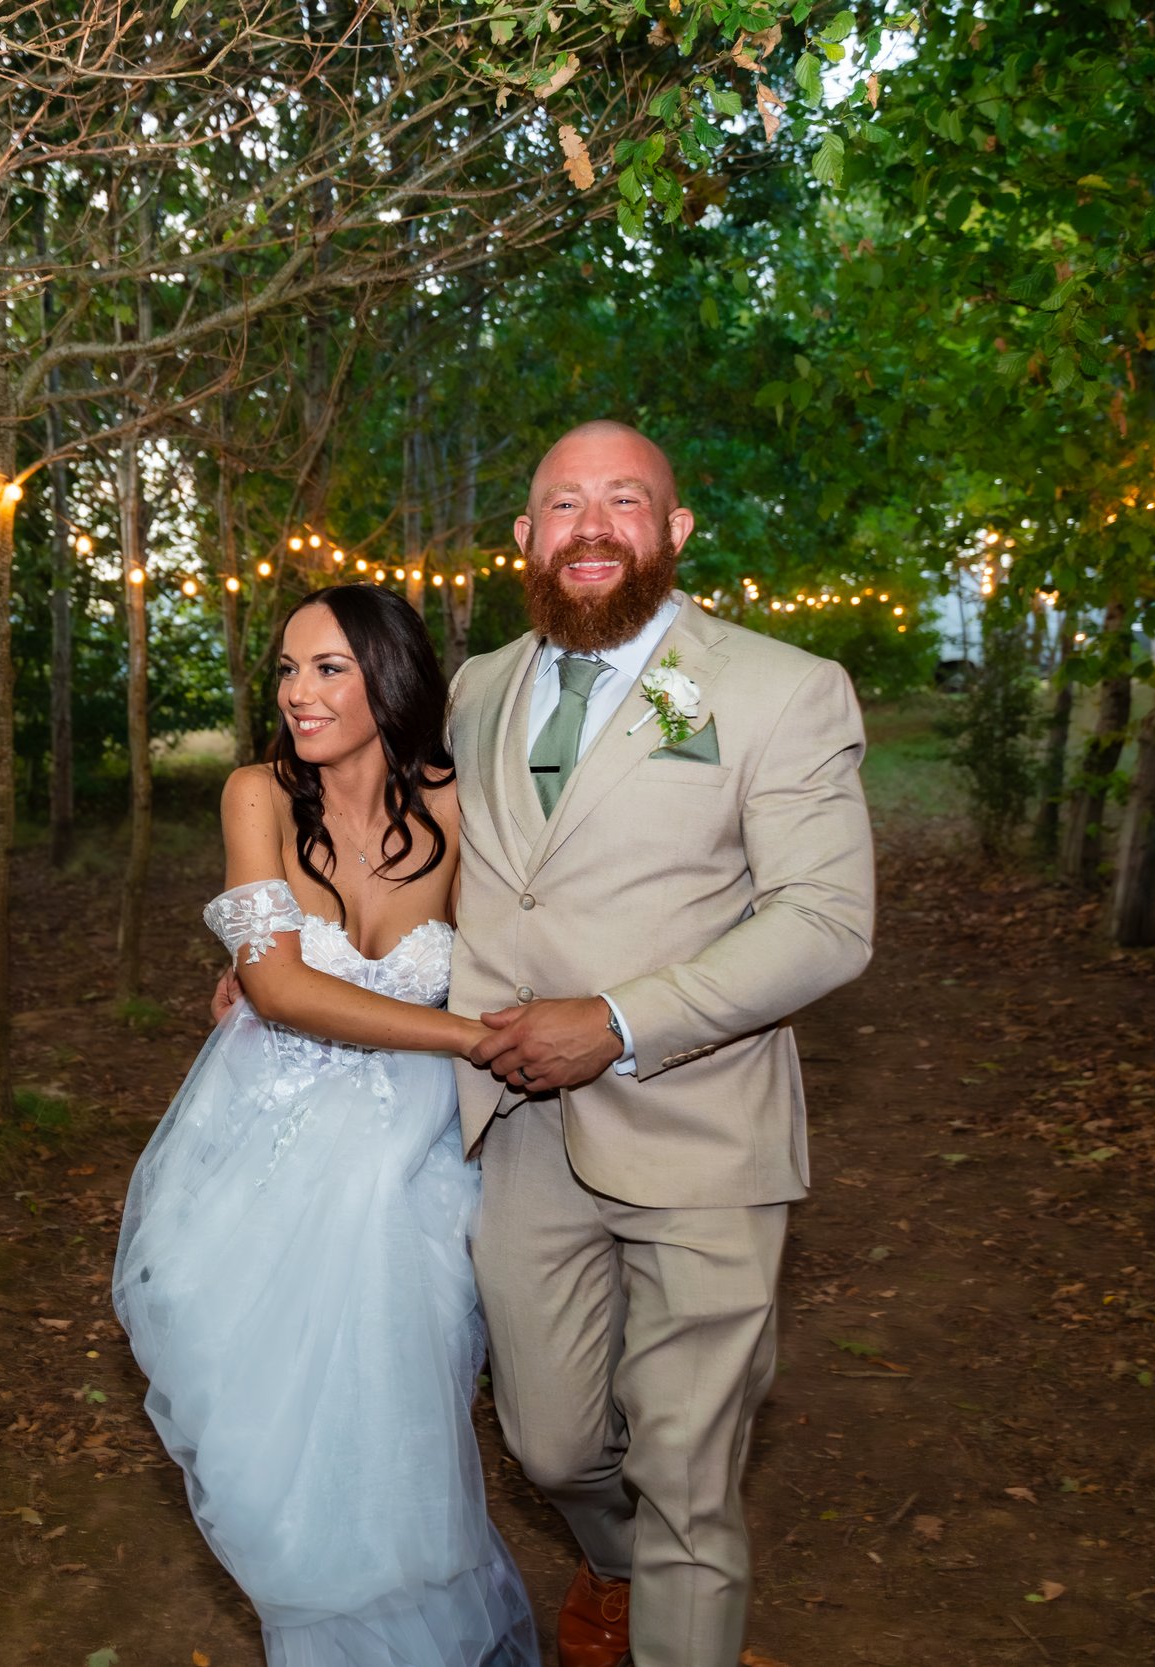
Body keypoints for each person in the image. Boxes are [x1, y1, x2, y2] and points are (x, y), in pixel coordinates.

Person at [446, 421, 875, 1667]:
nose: (591, 526)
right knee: (550, 1445)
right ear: (523, 536)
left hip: (700, 1126)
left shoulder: (775, 686)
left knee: (687, 1472)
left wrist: (619, 1020)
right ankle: (618, 1563)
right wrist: (278, 958)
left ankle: (676, 1605)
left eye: (623, 500)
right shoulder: (475, 688)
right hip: (519, 1128)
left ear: (674, 530)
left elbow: (825, 919)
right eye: (562, 503)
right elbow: (407, 855)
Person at [113, 583, 538, 1667]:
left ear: (389, 678)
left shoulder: (460, 804)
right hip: (262, 1135)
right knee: (268, 1432)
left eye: (329, 668)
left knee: (397, 1421)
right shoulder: (256, 794)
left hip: (409, 1153)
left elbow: (518, 947)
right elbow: (280, 987)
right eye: (288, 670)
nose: (297, 693)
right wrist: (465, 1037)